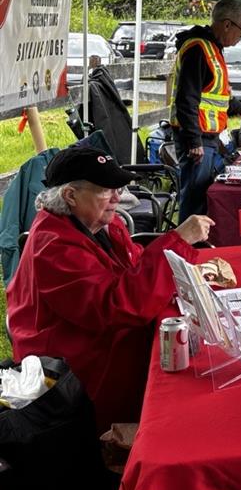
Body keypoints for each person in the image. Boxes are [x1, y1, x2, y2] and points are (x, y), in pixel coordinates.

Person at [6, 146, 214, 434]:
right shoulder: (53, 247)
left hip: (100, 339)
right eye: (106, 190)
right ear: (70, 196)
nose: (118, 197)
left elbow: (133, 262)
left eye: (118, 188)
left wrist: (179, 267)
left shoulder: (99, 222)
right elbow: (116, 307)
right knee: (191, 380)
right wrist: (176, 242)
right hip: (71, 369)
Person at [170, 0, 241, 222]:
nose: (240, 37)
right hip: (198, 140)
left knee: (204, 196)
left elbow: (214, 94)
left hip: (209, 137)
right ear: (227, 24)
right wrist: (194, 140)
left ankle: (198, 245)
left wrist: (238, 107)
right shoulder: (199, 48)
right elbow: (187, 98)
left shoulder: (212, 47)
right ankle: (187, 248)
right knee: (195, 198)